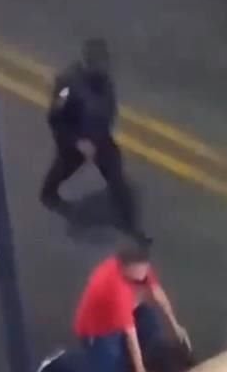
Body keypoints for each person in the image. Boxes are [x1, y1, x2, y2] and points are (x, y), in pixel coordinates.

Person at [37, 239, 190, 372]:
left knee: (152, 336)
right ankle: (59, 363)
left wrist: (175, 325)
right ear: (125, 269)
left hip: (131, 310)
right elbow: (131, 335)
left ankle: (133, 362)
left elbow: (157, 291)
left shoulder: (139, 268)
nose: (143, 279)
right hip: (100, 330)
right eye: (137, 278)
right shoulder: (116, 289)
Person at [40, 38, 148, 243]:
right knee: (62, 170)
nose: (103, 69)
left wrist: (103, 133)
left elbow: (109, 107)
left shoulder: (105, 81)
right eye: (98, 65)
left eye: (104, 65)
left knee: (117, 178)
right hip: (75, 143)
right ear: (86, 63)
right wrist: (77, 142)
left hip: (101, 140)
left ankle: (130, 224)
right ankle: (49, 194)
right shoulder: (67, 85)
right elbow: (55, 118)